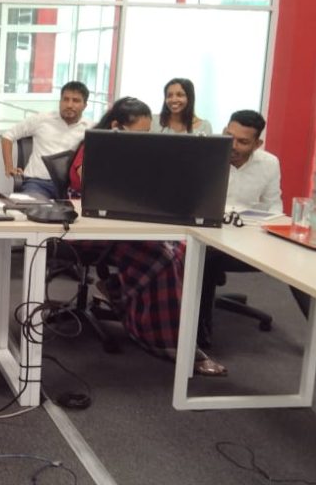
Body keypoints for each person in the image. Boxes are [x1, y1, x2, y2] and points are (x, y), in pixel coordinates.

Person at [200, 110, 316, 375]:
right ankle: (199, 339)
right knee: (205, 257)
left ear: (257, 144)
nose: (233, 146)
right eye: (229, 136)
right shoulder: (207, 155)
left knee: (297, 263)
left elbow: (274, 209)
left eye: (243, 142)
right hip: (207, 241)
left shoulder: (269, 163)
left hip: (249, 242)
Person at [66, 98, 228, 375]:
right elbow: (98, 190)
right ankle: (169, 342)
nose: (144, 139)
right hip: (90, 229)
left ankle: (125, 295)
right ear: (116, 127)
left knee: (182, 248)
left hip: (125, 226)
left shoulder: (132, 152)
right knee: (164, 257)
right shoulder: (93, 149)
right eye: (139, 133)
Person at [1, 81, 91, 199]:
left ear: (85, 105)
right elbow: (8, 135)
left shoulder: (89, 128)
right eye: (65, 99)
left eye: (76, 101)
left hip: (70, 188)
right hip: (38, 184)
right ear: (60, 101)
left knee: (86, 209)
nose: (69, 105)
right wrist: (9, 167)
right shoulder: (42, 119)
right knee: (33, 208)